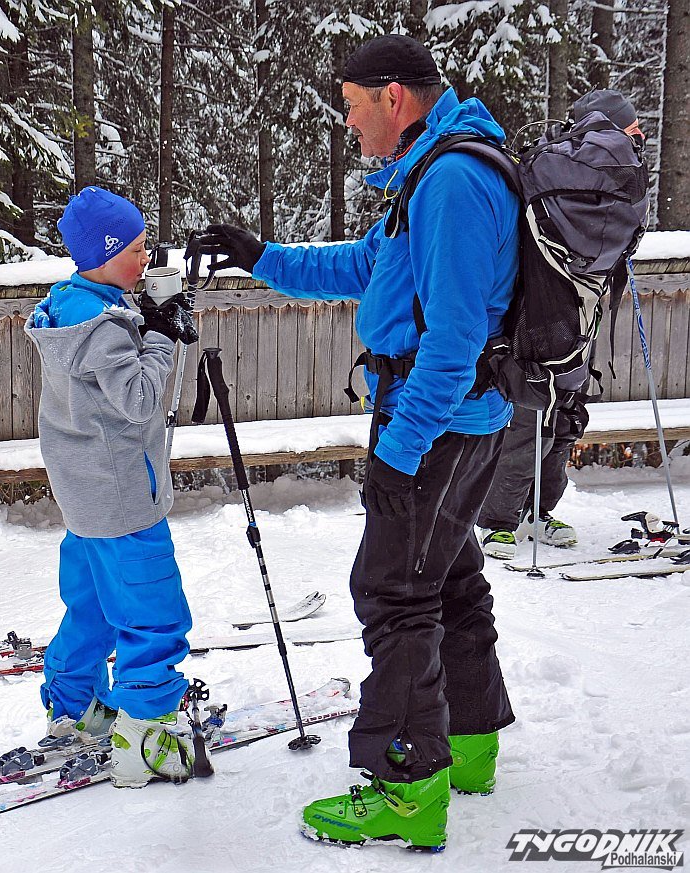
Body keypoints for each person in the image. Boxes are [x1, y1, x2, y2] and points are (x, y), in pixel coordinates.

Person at [198, 34, 516, 850]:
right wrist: (259, 255)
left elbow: (453, 339)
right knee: (447, 579)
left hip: (436, 427)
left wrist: (399, 450)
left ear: (392, 98)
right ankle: (469, 746)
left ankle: (408, 788)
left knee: (393, 591)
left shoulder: (450, 182)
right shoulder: (429, 172)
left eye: (350, 106)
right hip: (455, 422)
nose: (347, 123)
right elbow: (363, 267)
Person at [25, 186, 199, 788]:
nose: (147, 258)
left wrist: (144, 319)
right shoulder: (102, 328)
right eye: (136, 248)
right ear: (104, 253)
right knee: (153, 615)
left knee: (93, 609)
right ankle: (146, 734)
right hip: (123, 499)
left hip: (86, 496)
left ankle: (76, 709)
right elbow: (141, 398)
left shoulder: (69, 307)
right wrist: (163, 334)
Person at [476, 88, 646, 561]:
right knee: (562, 412)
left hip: (539, 312)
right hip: (580, 314)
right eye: (632, 128)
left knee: (534, 411)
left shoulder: (553, 168)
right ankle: (522, 515)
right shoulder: (620, 176)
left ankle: (507, 518)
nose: (637, 138)